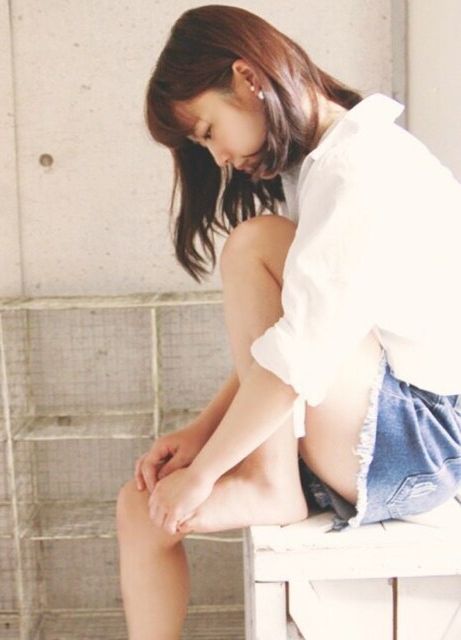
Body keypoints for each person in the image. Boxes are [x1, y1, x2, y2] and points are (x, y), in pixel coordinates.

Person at [116, 5, 461, 639]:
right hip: (370, 424)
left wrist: (210, 470)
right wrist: (200, 435)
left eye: (209, 131)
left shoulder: (363, 166)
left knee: (255, 241)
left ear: (248, 78)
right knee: (141, 506)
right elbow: (291, 341)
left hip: (423, 441)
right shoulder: (322, 166)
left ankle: (269, 482)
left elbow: (303, 354)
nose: (220, 157)